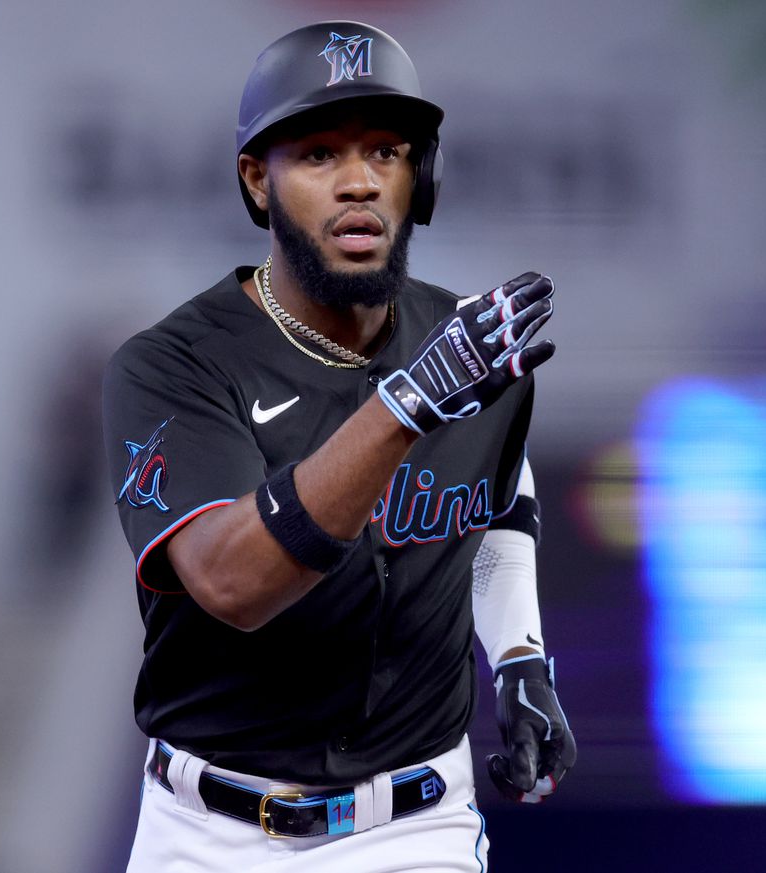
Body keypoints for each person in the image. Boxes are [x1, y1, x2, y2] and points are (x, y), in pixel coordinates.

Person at [103, 20, 575, 872]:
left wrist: (519, 658)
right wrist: (409, 404)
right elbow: (232, 580)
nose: (358, 181)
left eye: (386, 151)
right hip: (211, 834)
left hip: (416, 826)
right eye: (318, 154)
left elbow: (500, 492)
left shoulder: (469, 344)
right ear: (257, 182)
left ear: (419, 177)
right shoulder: (171, 366)